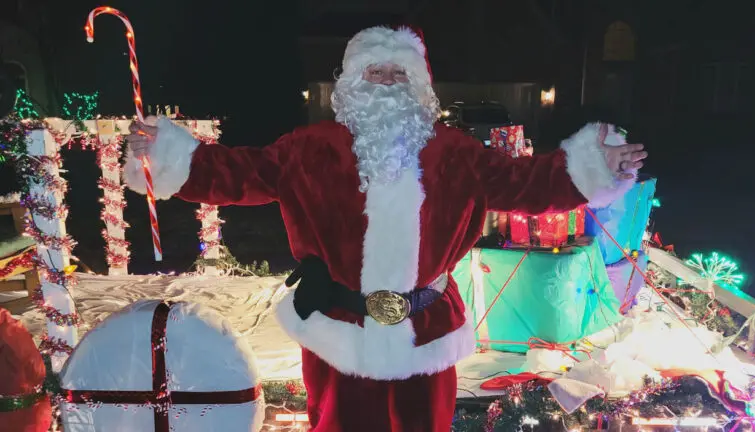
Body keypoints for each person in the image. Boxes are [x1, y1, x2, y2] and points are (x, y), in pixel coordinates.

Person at [124, 25, 647, 432]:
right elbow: (237, 174)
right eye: (375, 72)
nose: (388, 83)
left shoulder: (455, 154)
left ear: (420, 86)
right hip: (339, 333)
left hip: (426, 334)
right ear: (352, 82)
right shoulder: (309, 150)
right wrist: (165, 154)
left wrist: (594, 165)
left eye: (400, 74)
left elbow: (526, 183)